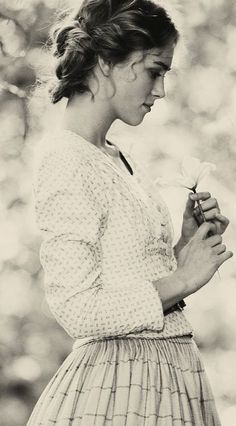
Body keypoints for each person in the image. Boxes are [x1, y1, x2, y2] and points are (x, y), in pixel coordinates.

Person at [27, 0, 233, 424]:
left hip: (172, 378)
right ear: (106, 62)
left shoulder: (118, 157)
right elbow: (78, 309)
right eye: (155, 70)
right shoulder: (65, 157)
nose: (161, 90)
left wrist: (184, 246)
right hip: (119, 390)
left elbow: (134, 284)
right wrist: (182, 278)